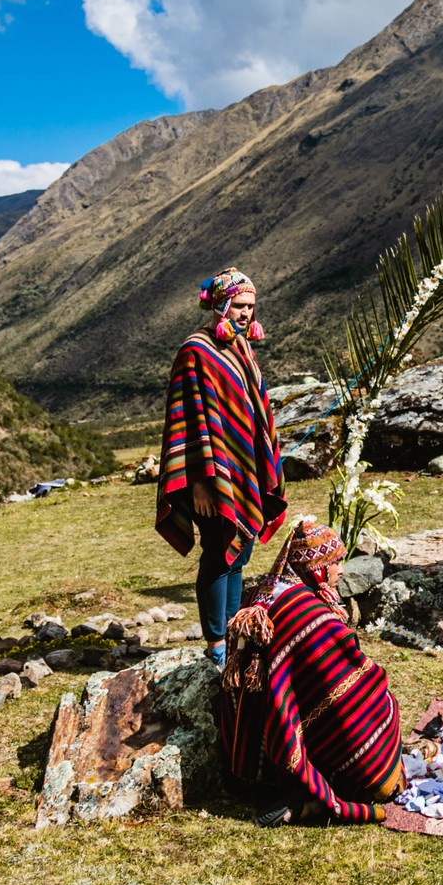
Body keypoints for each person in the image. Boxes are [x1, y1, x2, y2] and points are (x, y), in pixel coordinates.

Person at [216, 519, 406, 826]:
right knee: (376, 705)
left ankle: (300, 794)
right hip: (286, 760)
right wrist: (383, 699)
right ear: (317, 569)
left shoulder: (260, 596)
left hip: (247, 761)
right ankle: (317, 797)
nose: (341, 570)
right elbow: (348, 689)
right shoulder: (310, 616)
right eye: (335, 563)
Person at [155, 266, 286, 669]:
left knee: (239, 553)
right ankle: (216, 640)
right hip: (208, 477)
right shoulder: (195, 352)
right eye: (239, 305)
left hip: (241, 469)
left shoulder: (240, 348)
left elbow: (252, 410)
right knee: (217, 553)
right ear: (220, 304)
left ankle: (233, 631)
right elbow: (187, 419)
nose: (246, 313)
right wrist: (200, 483)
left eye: (251, 306)